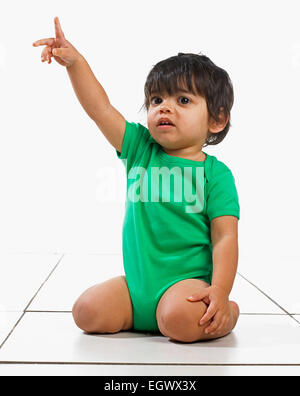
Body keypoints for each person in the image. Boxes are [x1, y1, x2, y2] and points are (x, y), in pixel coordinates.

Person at [33, 16, 240, 343]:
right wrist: (75, 63)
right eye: (157, 100)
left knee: (178, 320)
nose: (164, 108)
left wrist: (219, 290)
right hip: (138, 285)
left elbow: (225, 238)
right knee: (85, 311)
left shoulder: (216, 175)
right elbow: (100, 109)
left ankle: (228, 311)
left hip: (185, 287)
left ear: (216, 119)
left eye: (182, 100)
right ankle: (147, 314)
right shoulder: (140, 148)